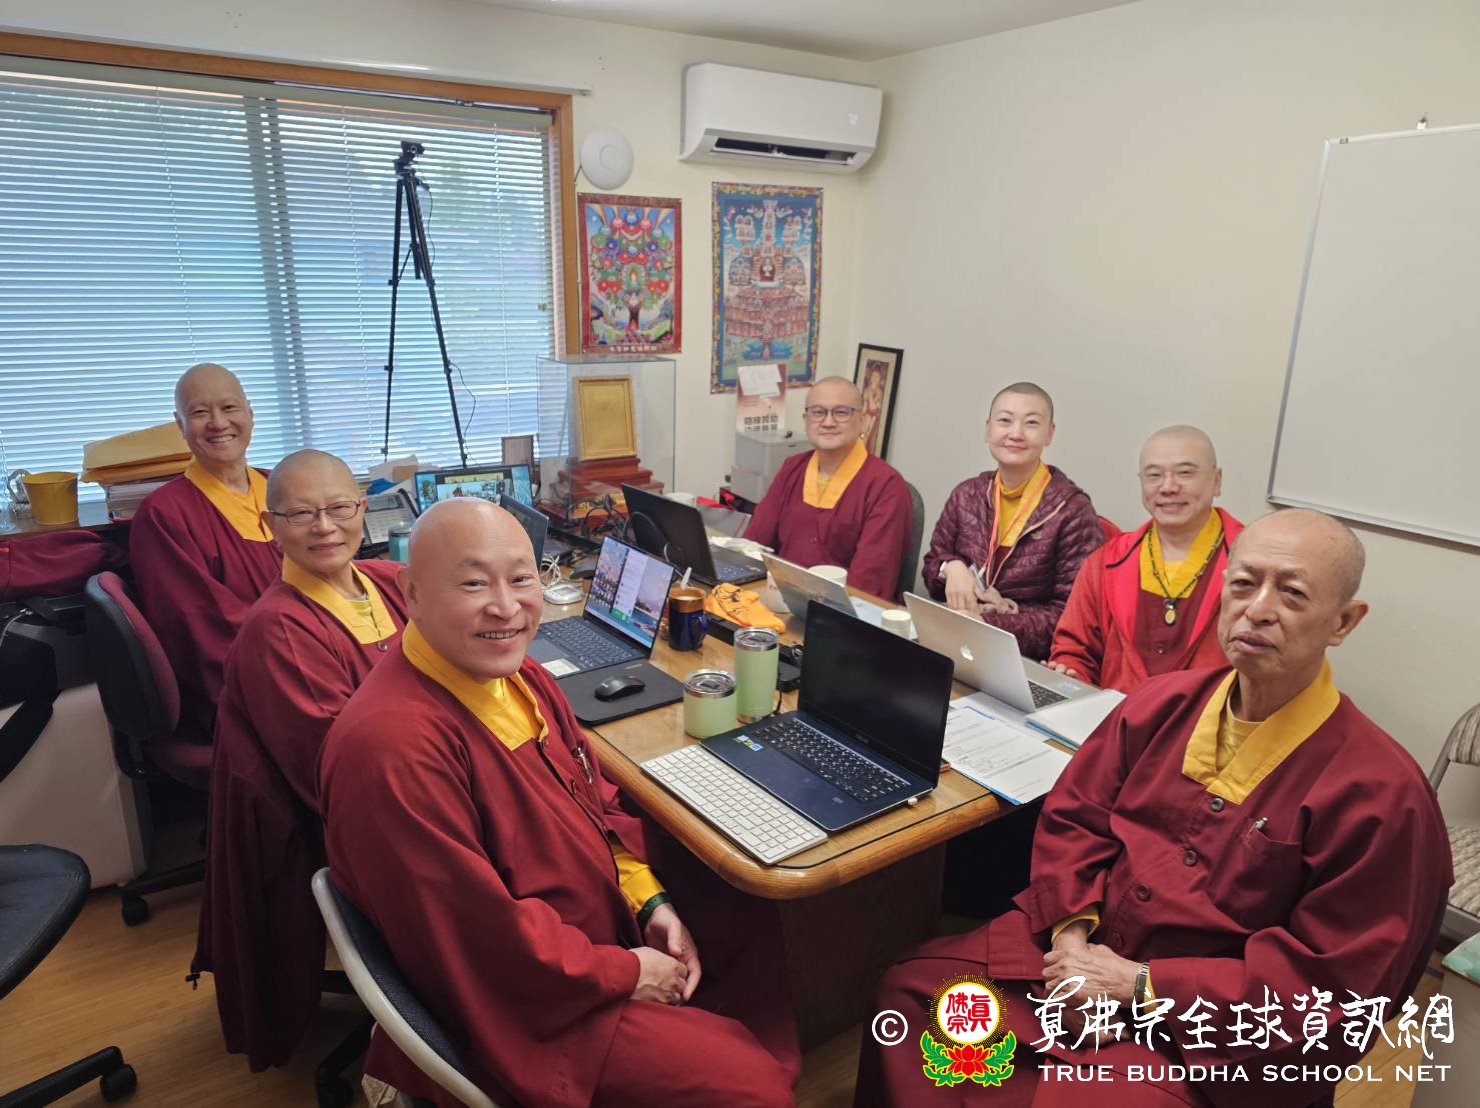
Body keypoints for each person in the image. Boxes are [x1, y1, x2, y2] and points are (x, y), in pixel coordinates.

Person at [857, 509, 1451, 1108]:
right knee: (910, 996)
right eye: (1244, 584)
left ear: (1344, 621)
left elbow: (1335, 986)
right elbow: (1076, 820)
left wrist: (1139, 986)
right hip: (1076, 956)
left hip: (1206, 1031)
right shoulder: (1159, 705)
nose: (1258, 609)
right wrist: (1071, 944)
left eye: (1292, 593)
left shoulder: (1381, 793)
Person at [319, 499, 799, 1107]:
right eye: (473, 584)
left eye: (521, 579)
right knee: (753, 1089)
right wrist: (629, 972)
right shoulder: (391, 748)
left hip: (586, 932)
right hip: (531, 1003)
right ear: (411, 593)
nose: (505, 607)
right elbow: (480, 939)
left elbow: (596, 801)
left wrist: (649, 898)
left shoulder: (519, 676)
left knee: (744, 906)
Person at [191, 450, 407, 1070]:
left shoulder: (388, 583)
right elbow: (339, 775)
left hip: (409, 781)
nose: (325, 527)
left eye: (340, 508)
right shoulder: (279, 630)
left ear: (364, 509)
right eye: (302, 514)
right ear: (270, 525)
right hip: (350, 820)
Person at [128, 362, 281, 740]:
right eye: (199, 412)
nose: (218, 423)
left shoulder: (282, 488)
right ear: (180, 425)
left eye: (229, 408)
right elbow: (202, 631)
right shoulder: (165, 514)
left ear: (250, 413)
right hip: (249, 691)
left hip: (316, 658)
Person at [1048, 426, 1243, 692]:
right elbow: (1074, 648)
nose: (1168, 487)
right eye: (1154, 475)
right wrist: (1070, 673)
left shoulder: (1252, 568)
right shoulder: (1106, 562)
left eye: (1185, 473)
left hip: (1208, 717)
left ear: (1216, 481)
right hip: (1117, 713)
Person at [923, 382, 1102, 660]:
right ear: (988, 429)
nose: (1016, 433)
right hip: (957, 641)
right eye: (1005, 421)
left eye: (1031, 423)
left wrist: (989, 624)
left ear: (1049, 433)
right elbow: (931, 573)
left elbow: (1070, 616)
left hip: (1022, 658)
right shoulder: (967, 494)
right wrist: (950, 567)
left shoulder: (1072, 511)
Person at [746, 375, 912, 599]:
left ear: (863, 421)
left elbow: (869, 583)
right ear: (806, 420)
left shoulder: (885, 485)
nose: (828, 422)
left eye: (841, 412)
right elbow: (754, 544)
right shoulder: (792, 468)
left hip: (844, 610)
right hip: (781, 598)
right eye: (818, 412)